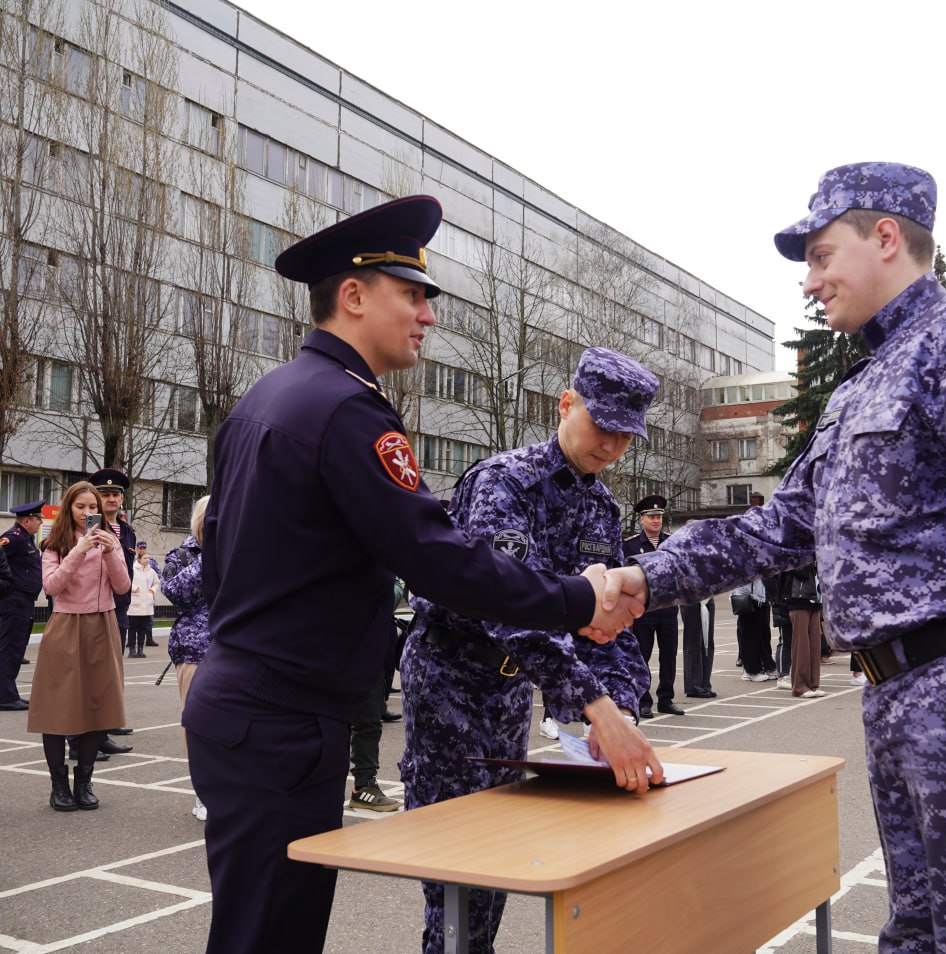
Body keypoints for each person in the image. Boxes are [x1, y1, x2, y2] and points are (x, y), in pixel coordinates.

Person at [603, 162, 946, 951]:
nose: (809, 282)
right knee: (919, 933)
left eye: (819, 256)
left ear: (885, 237)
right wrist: (643, 577)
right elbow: (777, 528)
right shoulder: (860, 390)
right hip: (899, 703)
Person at [183, 195, 642, 954]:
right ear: (354, 296)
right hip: (281, 717)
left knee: (261, 930)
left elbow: (226, 550)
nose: (427, 315)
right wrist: (576, 597)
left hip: (255, 708)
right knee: (268, 933)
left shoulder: (268, 397)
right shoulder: (347, 412)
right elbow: (438, 558)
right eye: (413, 295)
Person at [400, 346, 660, 954]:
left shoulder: (601, 508)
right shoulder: (502, 483)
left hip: (513, 688)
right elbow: (507, 608)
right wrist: (593, 705)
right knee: (456, 862)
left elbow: (610, 625)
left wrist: (620, 708)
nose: (612, 447)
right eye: (603, 426)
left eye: (627, 436)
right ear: (566, 404)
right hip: (452, 677)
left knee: (500, 856)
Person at [27, 481, 131, 811]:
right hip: (66, 624)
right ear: (68, 508)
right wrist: (80, 549)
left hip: (103, 623)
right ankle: (58, 784)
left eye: (92, 508)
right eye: (80, 507)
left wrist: (111, 549)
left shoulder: (110, 540)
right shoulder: (54, 543)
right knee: (57, 708)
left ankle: (84, 782)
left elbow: (123, 585)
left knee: (98, 705)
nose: (88, 513)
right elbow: (52, 585)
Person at [161, 495, 211, 821]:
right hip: (195, 650)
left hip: (239, 648)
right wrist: (212, 557)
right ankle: (204, 793)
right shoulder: (182, 555)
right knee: (197, 725)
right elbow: (175, 593)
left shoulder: (245, 549)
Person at [86, 467, 136, 753]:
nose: (111, 499)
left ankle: (107, 722)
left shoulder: (127, 531)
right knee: (96, 672)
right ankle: (93, 736)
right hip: (97, 607)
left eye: (116, 494)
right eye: (105, 494)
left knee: (112, 671)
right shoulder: (91, 528)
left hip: (120, 607)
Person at [622, 494, 684, 716]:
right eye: (651, 517)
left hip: (668, 608)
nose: (656, 520)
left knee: (669, 655)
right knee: (642, 655)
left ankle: (666, 699)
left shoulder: (673, 542)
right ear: (641, 519)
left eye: (659, 516)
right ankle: (643, 699)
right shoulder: (630, 545)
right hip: (643, 610)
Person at [347, 577, 405, 813]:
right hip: (338, 641)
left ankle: (364, 784)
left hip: (370, 641)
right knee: (330, 721)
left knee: (369, 720)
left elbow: (391, 595)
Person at [0, 500, 44, 711]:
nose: (40, 522)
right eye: (38, 518)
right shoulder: (13, 539)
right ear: (27, 520)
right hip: (14, 600)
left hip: (24, 601)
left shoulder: (27, 539)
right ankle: (5, 696)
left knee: (17, 649)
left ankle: (9, 692)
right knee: (9, 647)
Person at [782, 563, 825, 698]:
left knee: (814, 645)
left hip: (815, 600)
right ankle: (800, 687)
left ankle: (813, 684)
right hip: (798, 599)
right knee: (802, 646)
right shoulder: (797, 549)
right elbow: (800, 571)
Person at [731, 576, 773, 682]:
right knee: (749, 635)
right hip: (747, 596)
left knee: (761, 633)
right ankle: (750, 671)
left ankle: (765, 666)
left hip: (759, 596)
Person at [125, 543, 159, 658]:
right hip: (135, 604)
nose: (147, 560)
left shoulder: (151, 571)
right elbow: (125, 581)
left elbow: (157, 583)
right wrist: (134, 589)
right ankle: (132, 650)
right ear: (139, 559)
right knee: (132, 628)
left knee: (142, 629)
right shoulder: (132, 569)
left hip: (146, 605)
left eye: (148, 558)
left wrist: (152, 591)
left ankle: (140, 649)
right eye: (145, 558)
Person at [680, 596, 717, 698]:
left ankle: (705, 684)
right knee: (693, 643)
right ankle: (694, 686)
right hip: (691, 599)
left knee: (708, 643)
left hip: (708, 598)